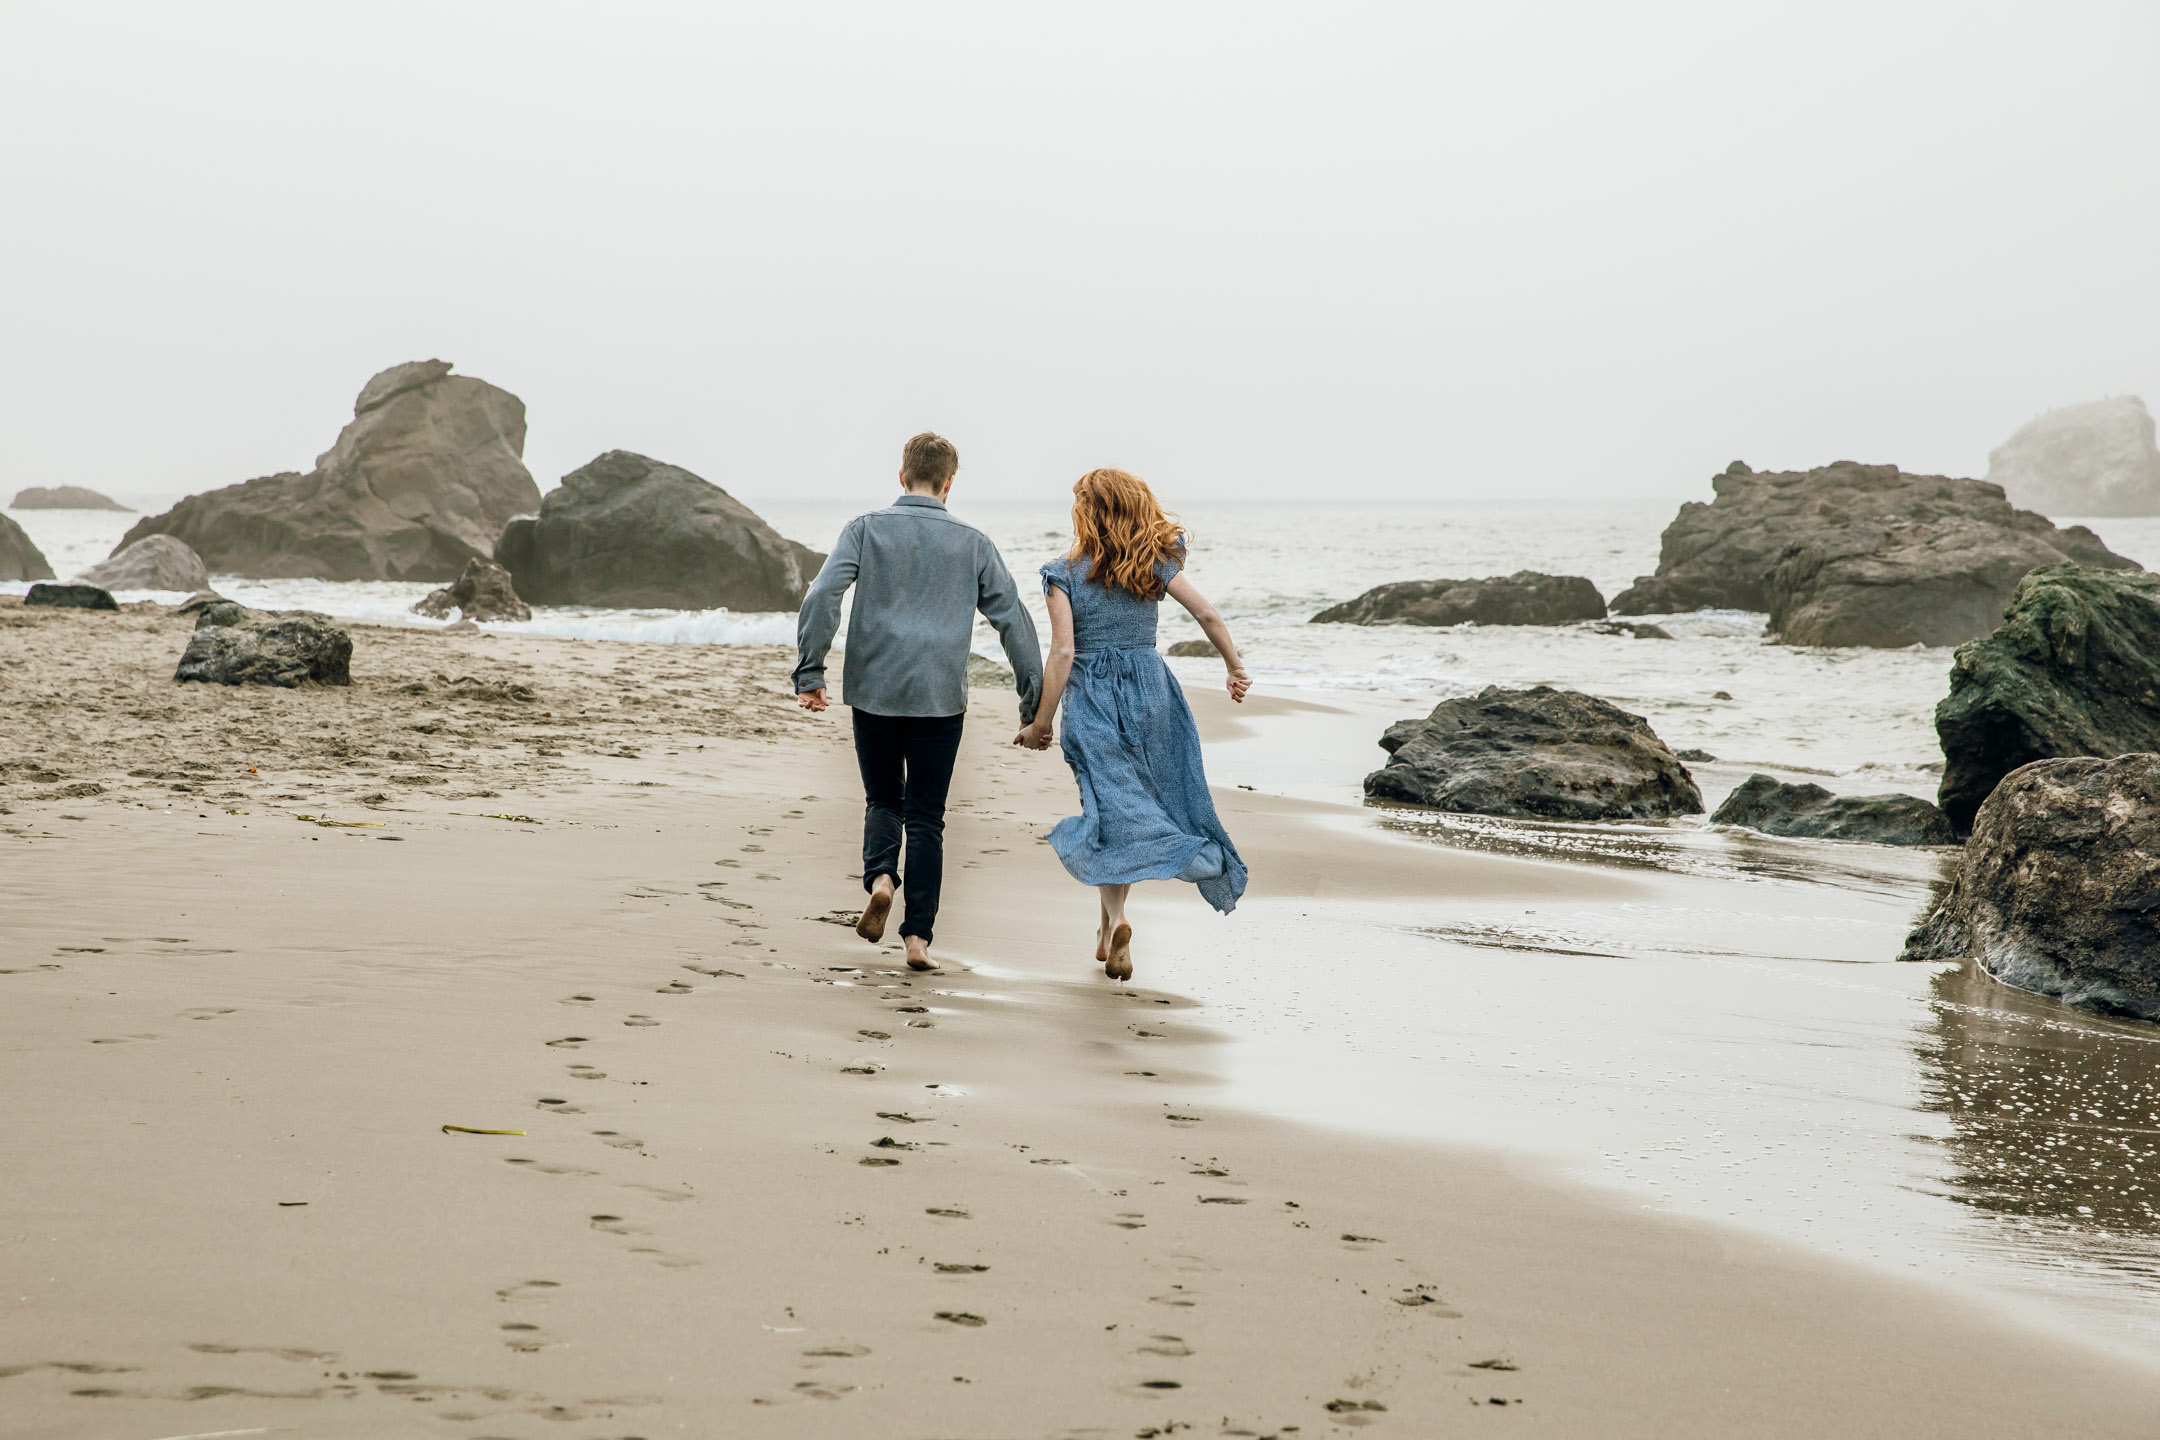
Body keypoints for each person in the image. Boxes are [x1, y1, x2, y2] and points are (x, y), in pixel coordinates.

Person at [794, 432, 1043, 972]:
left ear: (901, 476)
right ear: (949, 483)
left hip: (875, 692)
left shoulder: (865, 529)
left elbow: (821, 595)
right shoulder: (974, 543)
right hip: (939, 698)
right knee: (927, 818)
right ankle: (917, 941)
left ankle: (882, 878)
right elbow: (1014, 622)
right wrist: (1033, 702)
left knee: (884, 800)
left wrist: (810, 669)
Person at [1014, 467, 1249, 981]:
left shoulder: (1063, 573)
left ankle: (1117, 919)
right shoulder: (1155, 564)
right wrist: (1233, 665)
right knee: (1128, 808)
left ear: (1084, 512)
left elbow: (1062, 652)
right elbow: (1207, 615)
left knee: (1108, 809)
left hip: (1094, 697)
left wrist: (1041, 722)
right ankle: (1105, 932)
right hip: (1152, 693)